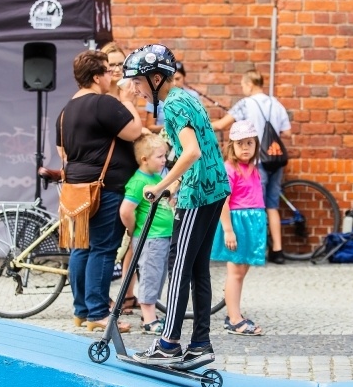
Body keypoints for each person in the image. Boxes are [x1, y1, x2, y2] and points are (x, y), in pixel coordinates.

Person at [123, 44, 230, 369]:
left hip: (198, 193)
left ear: (156, 78)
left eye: (140, 83)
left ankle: (169, 344)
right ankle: (200, 344)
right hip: (214, 188)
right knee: (197, 269)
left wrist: (161, 185)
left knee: (181, 267)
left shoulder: (172, 105)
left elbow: (192, 151)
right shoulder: (185, 97)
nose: (139, 90)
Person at [54, 50, 142, 332]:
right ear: (95, 76)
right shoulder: (103, 103)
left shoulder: (66, 109)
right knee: (104, 250)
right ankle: (98, 313)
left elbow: (62, 150)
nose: (111, 75)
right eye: (106, 71)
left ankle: (81, 310)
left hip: (76, 188)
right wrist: (128, 101)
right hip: (105, 188)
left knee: (82, 248)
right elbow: (134, 132)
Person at [211, 70, 291, 264]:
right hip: (276, 159)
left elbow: (222, 125)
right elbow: (287, 132)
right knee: (271, 205)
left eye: (243, 85)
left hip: (256, 163)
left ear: (248, 84)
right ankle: (277, 250)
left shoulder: (245, 104)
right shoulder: (276, 103)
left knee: (252, 204)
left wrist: (204, 125)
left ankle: (253, 247)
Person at [210, 120, 266, 336]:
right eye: (240, 143)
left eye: (249, 143)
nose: (245, 148)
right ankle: (234, 319)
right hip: (237, 223)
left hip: (252, 223)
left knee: (241, 272)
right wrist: (228, 229)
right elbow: (223, 201)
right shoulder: (230, 168)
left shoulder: (253, 168)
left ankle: (233, 312)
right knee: (235, 272)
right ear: (231, 145)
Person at [101, 41, 143, 314]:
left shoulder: (131, 93)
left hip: (132, 172)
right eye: (111, 64)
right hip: (110, 175)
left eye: (120, 64)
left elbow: (141, 128)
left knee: (132, 235)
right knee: (108, 243)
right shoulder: (104, 98)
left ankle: (128, 294)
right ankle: (102, 298)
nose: (116, 69)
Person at [119, 134, 174, 335]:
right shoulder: (138, 181)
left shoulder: (155, 177)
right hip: (150, 237)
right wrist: (135, 230)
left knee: (158, 276)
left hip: (161, 235)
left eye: (164, 156)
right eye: (160, 156)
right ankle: (149, 320)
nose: (164, 160)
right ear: (145, 159)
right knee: (150, 275)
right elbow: (126, 210)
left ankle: (148, 313)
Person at [144, 61, 199, 134]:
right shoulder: (155, 98)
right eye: (171, 79)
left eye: (178, 79)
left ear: (184, 77)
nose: (174, 83)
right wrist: (171, 127)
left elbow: (199, 122)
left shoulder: (192, 96)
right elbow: (150, 127)